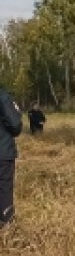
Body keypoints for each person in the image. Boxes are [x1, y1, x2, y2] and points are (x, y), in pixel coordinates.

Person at [0, 87, 21, 226]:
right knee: (4, 189)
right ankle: (6, 226)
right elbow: (15, 125)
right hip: (2, 152)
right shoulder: (2, 96)